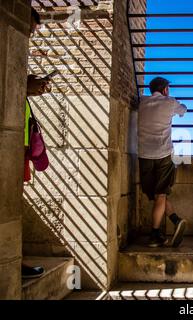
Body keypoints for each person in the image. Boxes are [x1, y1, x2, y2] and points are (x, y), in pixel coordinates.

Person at [138, 77, 188, 247]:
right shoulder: (170, 102)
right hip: (163, 154)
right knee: (161, 194)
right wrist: (175, 105)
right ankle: (154, 235)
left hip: (144, 155)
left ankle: (176, 220)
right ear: (165, 89)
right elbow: (183, 110)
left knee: (155, 195)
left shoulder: (142, 101)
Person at [22, 8, 52, 279]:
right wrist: (25, 85)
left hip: (18, 147)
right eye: (29, 29)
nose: (30, 36)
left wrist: (28, 86)